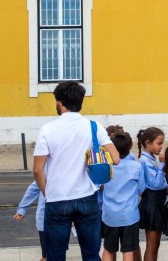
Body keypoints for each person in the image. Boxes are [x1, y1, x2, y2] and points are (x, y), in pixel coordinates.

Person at [32, 81, 119, 261]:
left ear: (60, 102)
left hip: (57, 198)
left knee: (55, 255)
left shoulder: (47, 129)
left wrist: (47, 193)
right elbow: (116, 158)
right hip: (87, 197)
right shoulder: (94, 126)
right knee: (91, 255)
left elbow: (38, 170)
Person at [101, 132, 145, 261]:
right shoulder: (136, 166)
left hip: (110, 216)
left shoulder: (106, 167)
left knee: (108, 249)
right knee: (128, 250)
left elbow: (99, 185)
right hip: (129, 215)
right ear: (130, 147)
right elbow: (141, 189)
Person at [137, 127, 167, 261]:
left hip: (157, 202)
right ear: (148, 143)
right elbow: (155, 183)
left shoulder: (151, 159)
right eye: (159, 143)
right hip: (152, 203)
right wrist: (162, 165)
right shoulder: (144, 160)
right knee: (152, 245)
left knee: (155, 244)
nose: (161, 147)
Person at [14, 181, 47, 261]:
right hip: (46, 216)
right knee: (50, 253)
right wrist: (22, 208)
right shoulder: (46, 173)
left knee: (58, 250)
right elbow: (33, 188)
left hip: (64, 215)